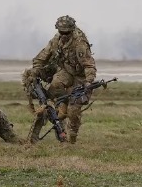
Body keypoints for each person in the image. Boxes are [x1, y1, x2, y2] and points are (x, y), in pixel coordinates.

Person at [26, 15, 98, 144]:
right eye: (61, 32)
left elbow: (89, 65)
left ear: (72, 30)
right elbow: (42, 56)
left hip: (81, 76)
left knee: (74, 110)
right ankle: (62, 104)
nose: (64, 35)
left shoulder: (79, 43)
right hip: (66, 71)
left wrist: (89, 81)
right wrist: (35, 70)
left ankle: (72, 138)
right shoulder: (56, 40)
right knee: (55, 84)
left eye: (67, 32)